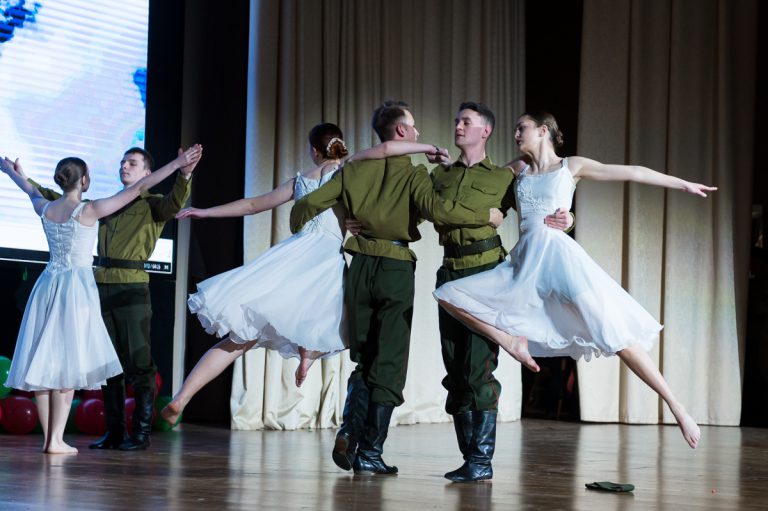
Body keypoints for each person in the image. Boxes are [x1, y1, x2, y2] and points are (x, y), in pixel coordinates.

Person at [434, 111, 713, 450]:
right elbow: (477, 181)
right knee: (448, 293)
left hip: (561, 263)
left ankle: (675, 405)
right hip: (525, 265)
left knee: (614, 334)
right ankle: (511, 342)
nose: (516, 134)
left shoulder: (571, 166)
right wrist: (447, 167)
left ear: (543, 130)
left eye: (522, 128)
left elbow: (632, 172)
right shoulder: (517, 169)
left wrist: (683, 183)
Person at [346, 102, 573, 483]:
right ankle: (470, 460)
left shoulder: (503, 178)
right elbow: (404, 208)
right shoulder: (438, 176)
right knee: (455, 368)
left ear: (485, 131)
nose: (458, 126)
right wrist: (357, 220)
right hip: (450, 273)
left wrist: (567, 218)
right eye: (456, 121)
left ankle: (480, 460)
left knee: (478, 368)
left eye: (466, 121)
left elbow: (540, 203)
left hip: (487, 273)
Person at [290, 100, 503, 476]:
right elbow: (441, 211)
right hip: (394, 269)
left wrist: (338, 226)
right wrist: (485, 215)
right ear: (402, 132)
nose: (418, 132)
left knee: (365, 359)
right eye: (414, 127)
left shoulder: (353, 170)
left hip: (359, 267)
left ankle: (350, 431)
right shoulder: (414, 175)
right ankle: (370, 453)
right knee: (388, 364)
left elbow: (302, 209)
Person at [0, 145, 202, 454]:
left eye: (131, 162)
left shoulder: (148, 203)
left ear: (146, 172)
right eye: (122, 161)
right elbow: (50, 194)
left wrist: (183, 173)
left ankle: (137, 432)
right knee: (94, 362)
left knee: (130, 361)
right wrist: (23, 176)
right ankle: (108, 432)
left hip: (113, 288)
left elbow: (171, 201)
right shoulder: (94, 206)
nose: (124, 166)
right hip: (89, 288)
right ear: (83, 180)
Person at [159, 123, 351, 427]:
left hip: (290, 258)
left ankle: (182, 397)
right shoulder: (347, 174)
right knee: (322, 312)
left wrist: (205, 212)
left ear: (314, 151)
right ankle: (308, 354)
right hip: (323, 259)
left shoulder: (300, 181)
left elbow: (252, 205)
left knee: (240, 338)